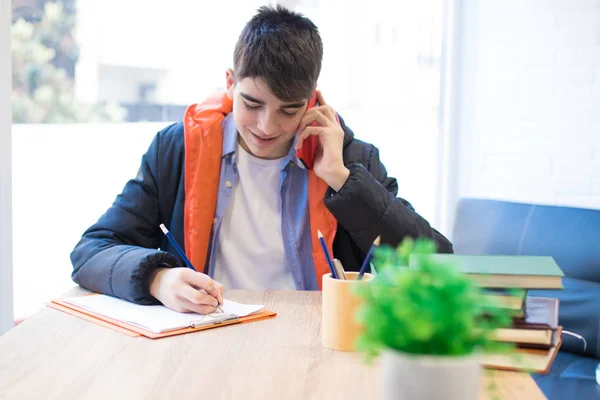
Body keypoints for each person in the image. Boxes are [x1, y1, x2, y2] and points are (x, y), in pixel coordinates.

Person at [70, 5, 453, 315]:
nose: (267, 126)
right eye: (252, 104)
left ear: (314, 100)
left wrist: (342, 179)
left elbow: (435, 266)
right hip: (205, 334)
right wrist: (157, 278)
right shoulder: (177, 150)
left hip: (317, 340)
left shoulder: (351, 158)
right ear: (230, 82)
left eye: (289, 110)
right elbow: (92, 250)